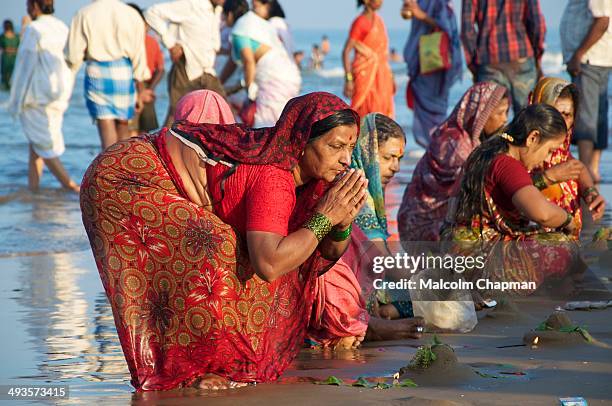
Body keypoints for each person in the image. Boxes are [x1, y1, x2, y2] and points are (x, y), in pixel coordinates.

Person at [80, 91, 367, 391]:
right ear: (301, 142)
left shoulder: (317, 179)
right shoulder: (274, 176)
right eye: (335, 146)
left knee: (243, 255)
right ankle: (192, 368)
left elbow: (324, 252)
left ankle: (211, 363)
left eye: (350, 147)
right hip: (123, 177)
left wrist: (341, 221)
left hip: (153, 176)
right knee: (217, 246)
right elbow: (269, 263)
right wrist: (325, 216)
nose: (346, 159)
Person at [307, 113, 425, 350]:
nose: (396, 167)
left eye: (399, 159)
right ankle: (372, 321)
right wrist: (427, 283)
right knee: (427, 300)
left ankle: (382, 314)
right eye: (388, 157)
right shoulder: (353, 188)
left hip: (358, 281)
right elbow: (379, 261)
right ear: (368, 155)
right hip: (338, 284)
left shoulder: (371, 195)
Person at [443, 104, 583, 294]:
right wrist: (568, 220)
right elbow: (542, 214)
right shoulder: (507, 164)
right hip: (476, 262)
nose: (545, 159)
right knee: (563, 247)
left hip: (454, 250)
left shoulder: (486, 150)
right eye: (549, 150)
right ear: (533, 138)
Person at [398, 82, 509, 243]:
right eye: (500, 113)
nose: (504, 119)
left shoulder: (471, 139)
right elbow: (474, 186)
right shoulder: (454, 143)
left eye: (506, 112)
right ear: (480, 113)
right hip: (423, 225)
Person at [6, 0, 78, 192]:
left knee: (44, 147)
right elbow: (73, 62)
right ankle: (34, 191)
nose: (26, 8)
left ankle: (73, 189)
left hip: (37, 97)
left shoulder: (33, 29)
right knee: (36, 145)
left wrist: (15, 100)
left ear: (35, 6)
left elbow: (24, 65)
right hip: (58, 95)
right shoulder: (62, 27)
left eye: (28, 4)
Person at [65, 0, 150, 150]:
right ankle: (124, 170)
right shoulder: (131, 14)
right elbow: (139, 55)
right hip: (124, 73)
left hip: (97, 73)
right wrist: (140, 89)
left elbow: (72, 56)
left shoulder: (84, 13)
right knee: (123, 128)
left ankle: (109, 170)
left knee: (106, 130)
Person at [528, 77, 605, 238]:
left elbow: (577, 167)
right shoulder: (523, 146)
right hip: (529, 240)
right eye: (554, 112)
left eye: (567, 114)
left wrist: (590, 192)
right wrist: (549, 177)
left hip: (565, 239)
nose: (560, 121)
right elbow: (515, 189)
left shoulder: (562, 149)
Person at [219, 0, 301, 127]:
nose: (222, 19)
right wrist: (219, 83)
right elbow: (233, 61)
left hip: (274, 81)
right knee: (281, 125)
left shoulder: (239, 30)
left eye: (223, 15)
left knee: (266, 127)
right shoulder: (253, 23)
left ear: (229, 15)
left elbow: (248, 62)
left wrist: (249, 89)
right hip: (289, 77)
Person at [145, 0, 226, 128]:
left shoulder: (216, 10)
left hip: (207, 71)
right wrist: (171, 44)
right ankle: (162, 147)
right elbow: (152, 13)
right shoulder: (192, 4)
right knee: (177, 114)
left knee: (222, 112)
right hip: (186, 67)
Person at [461, 0, 546, 115]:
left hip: (489, 60)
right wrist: (537, 56)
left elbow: (467, 32)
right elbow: (537, 24)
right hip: (521, 56)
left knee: (491, 119)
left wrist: (475, 65)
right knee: (527, 118)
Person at [560, 0, 611, 183]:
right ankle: (592, 170)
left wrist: (578, 54)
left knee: (586, 118)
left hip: (590, 59)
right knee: (597, 115)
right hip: (598, 58)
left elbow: (603, 20)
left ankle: (586, 171)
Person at [402, 0, 463, 148]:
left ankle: (440, 156)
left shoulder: (440, 3)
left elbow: (447, 28)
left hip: (435, 69)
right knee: (428, 118)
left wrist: (422, 15)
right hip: (422, 65)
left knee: (436, 119)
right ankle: (434, 156)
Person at [343, 0, 394, 118]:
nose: (381, 1)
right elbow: (346, 51)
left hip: (382, 77)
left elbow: (382, 54)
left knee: (382, 117)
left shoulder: (380, 21)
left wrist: (391, 76)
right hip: (364, 75)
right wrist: (348, 79)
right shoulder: (360, 22)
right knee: (364, 113)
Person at [127, 3, 165, 135]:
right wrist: (149, 89)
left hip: (137, 85)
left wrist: (148, 89)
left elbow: (160, 68)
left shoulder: (147, 41)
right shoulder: (147, 40)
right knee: (140, 131)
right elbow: (160, 69)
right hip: (140, 85)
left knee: (134, 129)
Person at [0, 19, 20, 90]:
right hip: (10, 58)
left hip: (8, 58)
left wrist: (7, 50)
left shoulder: (3, 37)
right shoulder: (16, 36)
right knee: (10, 74)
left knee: (9, 74)